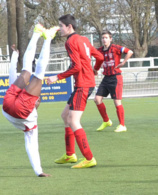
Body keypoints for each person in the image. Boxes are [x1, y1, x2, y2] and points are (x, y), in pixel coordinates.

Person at [46, 14, 104, 168]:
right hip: (85, 82)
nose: (59, 29)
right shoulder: (84, 39)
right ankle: (70, 154)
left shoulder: (70, 41)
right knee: (65, 115)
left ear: (69, 26)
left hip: (83, 84)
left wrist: (57, 77)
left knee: (73, 120)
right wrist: (95, 70)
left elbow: (76, 67)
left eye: (61, 26)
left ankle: (89, 158)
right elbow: (99, 57)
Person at [2, 24, 59, 177]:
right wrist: (38, 171)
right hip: (7, 108)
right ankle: (42, 36)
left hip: (9, 104)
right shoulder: (31, 124)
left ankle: (41, 35)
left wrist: (14, 57)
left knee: (31, 71)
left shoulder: (32, 119)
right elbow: (31, 146)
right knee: (33, 72)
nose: (37, 99)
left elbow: (13, 76)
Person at [93, 30, 133, 132]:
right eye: (103, 38)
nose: (104, 39)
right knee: (97, 99)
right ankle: (106, 121)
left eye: (106, 38)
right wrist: (95, 70)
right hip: (106, 78)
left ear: (110, 39)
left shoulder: (115, 48)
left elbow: (130, 51)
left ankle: (122, 125)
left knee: (117, 102)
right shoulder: (100, 50)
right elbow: (96, 60)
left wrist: (123, 62)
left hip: (115, 77)